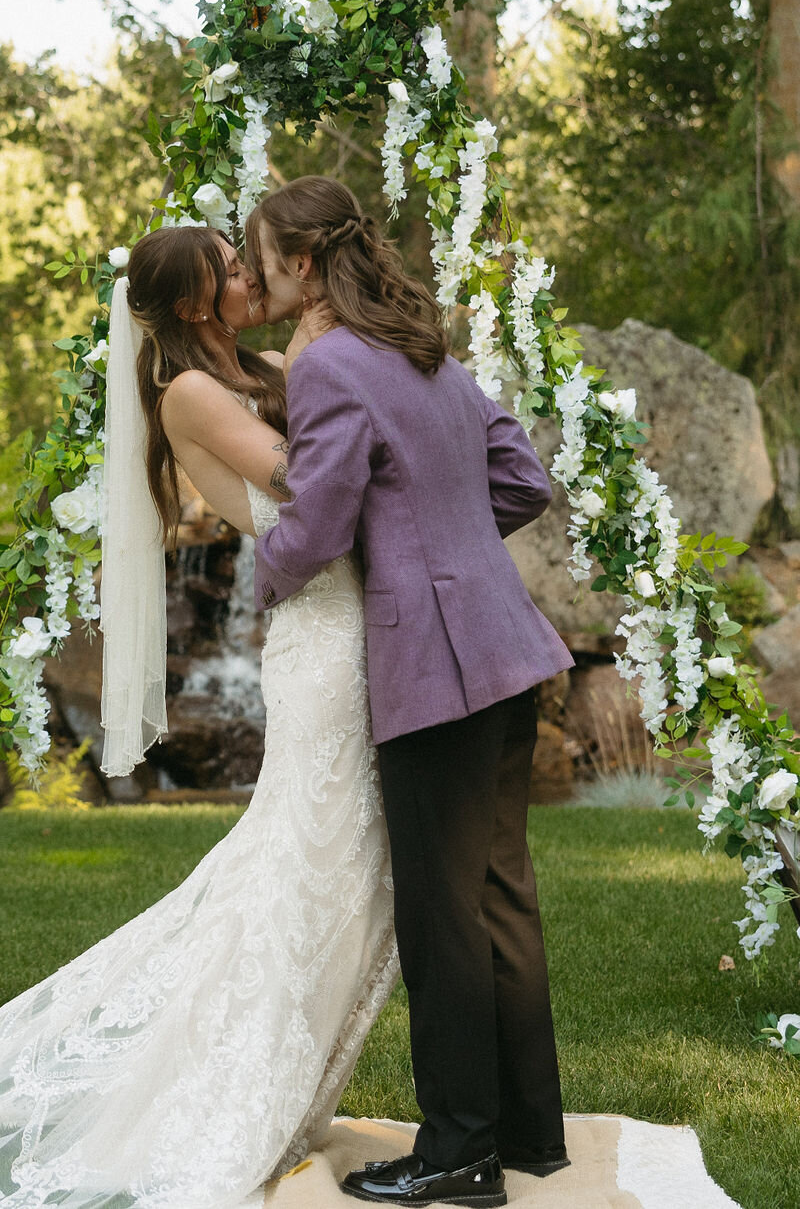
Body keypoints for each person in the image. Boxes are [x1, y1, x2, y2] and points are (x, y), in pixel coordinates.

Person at [0, 225, 398, 1209]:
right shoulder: (190, 392)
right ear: (195, 304)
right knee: (307, 853)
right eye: (230, 271)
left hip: (359, 611)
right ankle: (242, 1088)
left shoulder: (274, 361)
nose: (250, 275)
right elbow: (302, 478)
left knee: (337, 861)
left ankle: (283, 1071)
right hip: (322, 632)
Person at [245, 177, 575, 1209]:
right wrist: (456, 547)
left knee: (441, 918)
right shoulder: (423, 349)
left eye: (259, 257)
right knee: (501, 900)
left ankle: (459, 1156)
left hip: (432, 669)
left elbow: (320, 515)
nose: (254, 274)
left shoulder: (335, 364)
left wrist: (257, 583)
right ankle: (526, 1135)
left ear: (301, 267)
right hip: (507, 648)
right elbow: (521, 477)